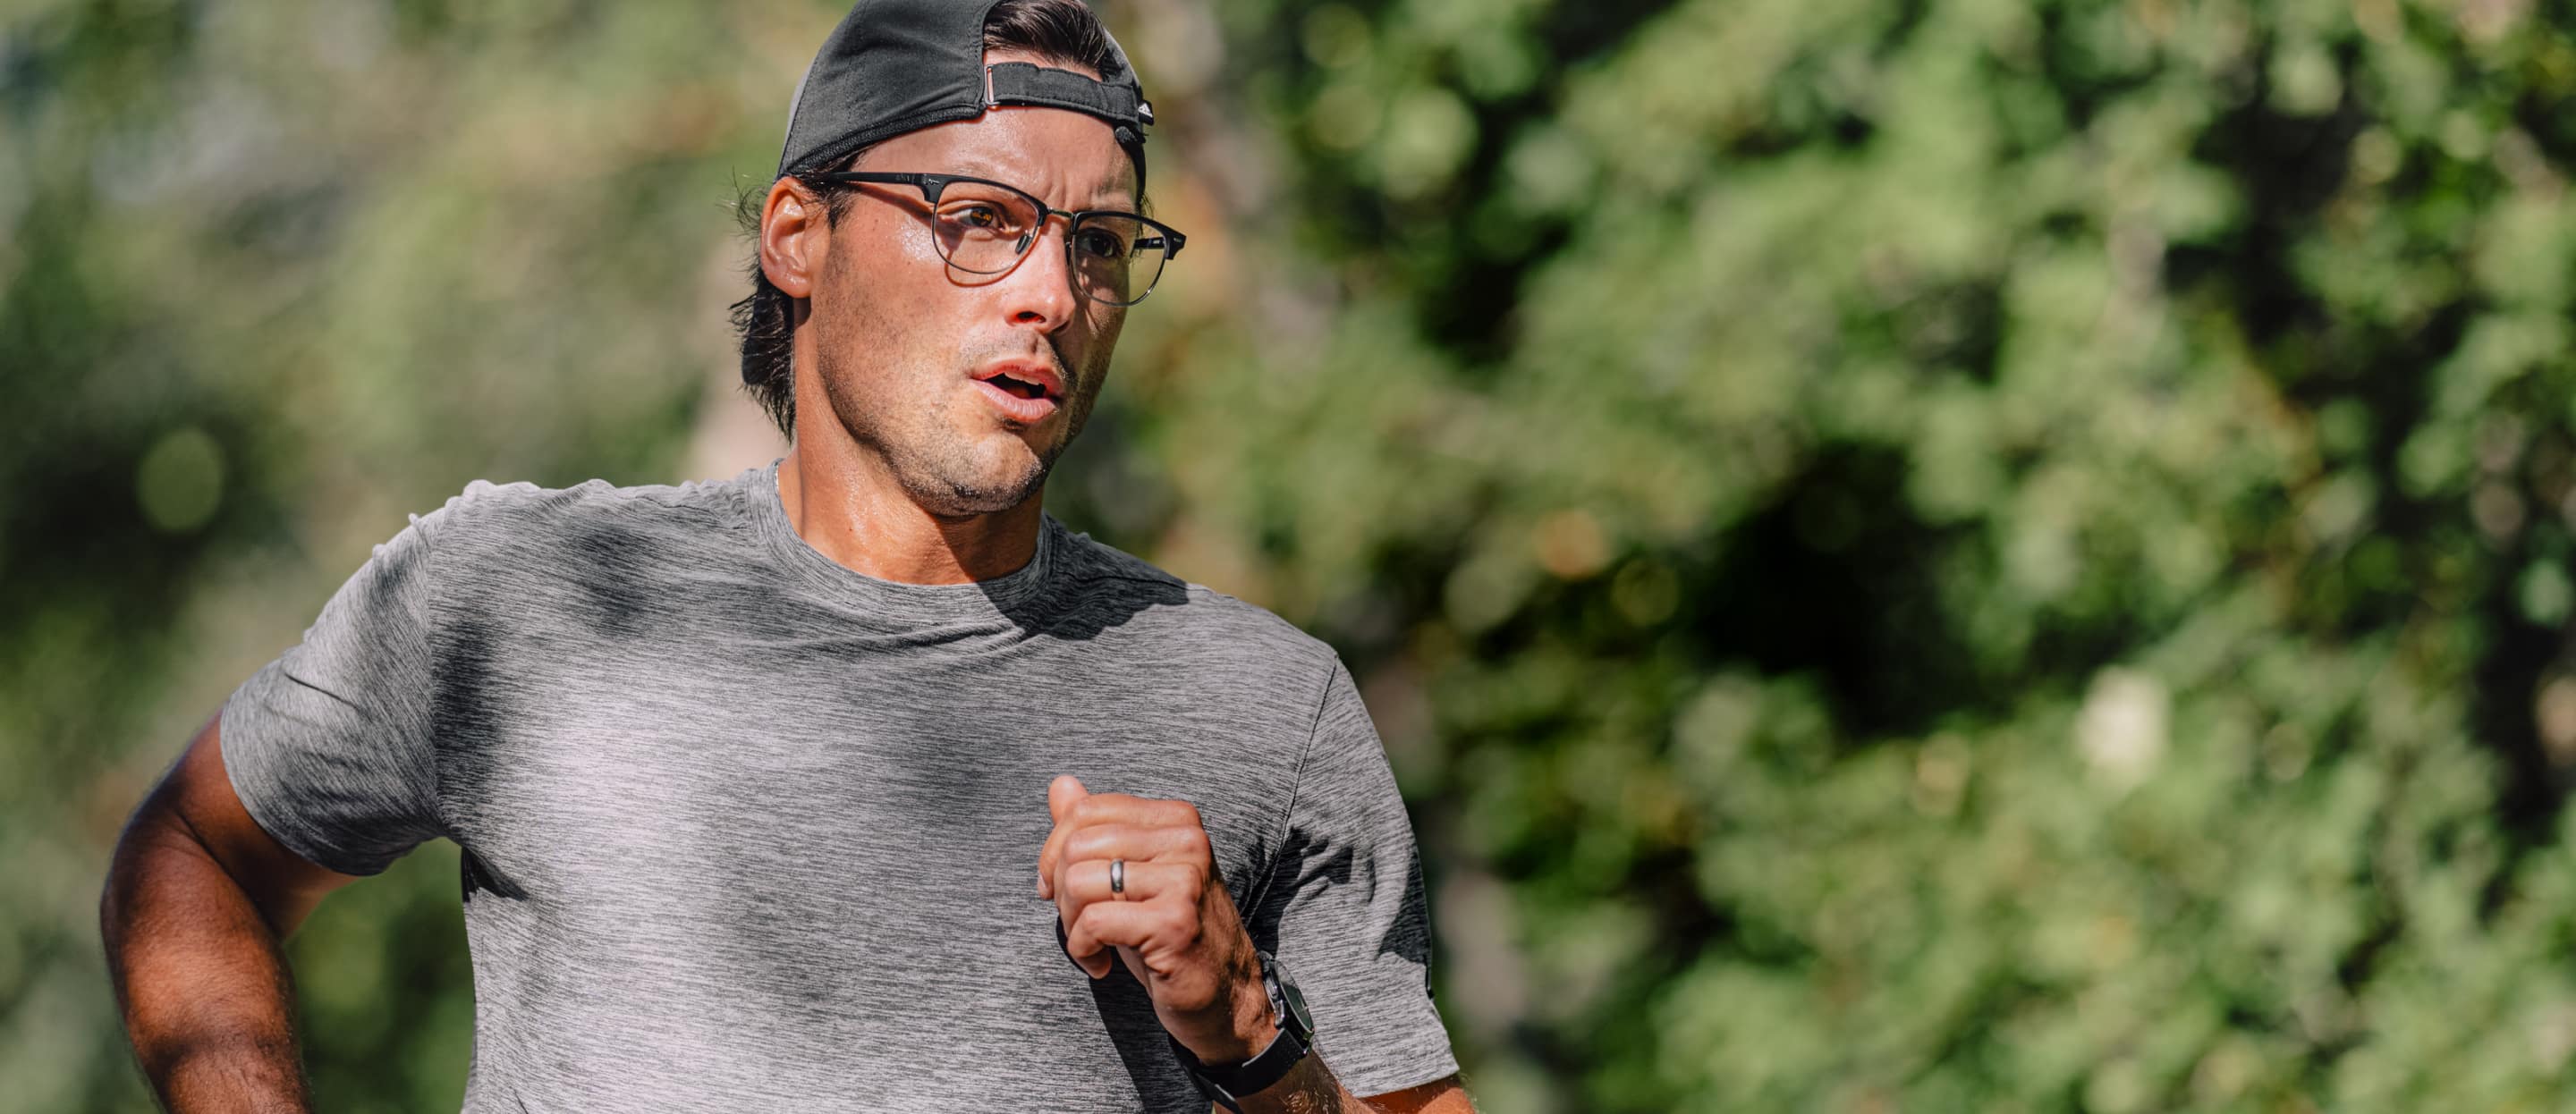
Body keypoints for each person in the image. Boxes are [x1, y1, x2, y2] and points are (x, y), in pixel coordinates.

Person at [96, 1, 1477, 1111]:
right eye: (982, 219)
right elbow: (194, 854)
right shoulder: (518, 601)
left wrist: (1252, 1041)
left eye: (1101, 244)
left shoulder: (1265, 703)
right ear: (797, 236)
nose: (1055, 296)